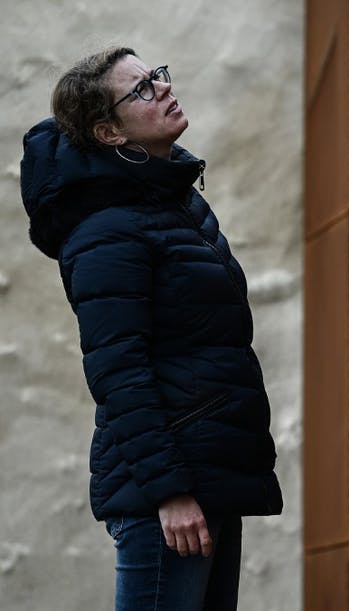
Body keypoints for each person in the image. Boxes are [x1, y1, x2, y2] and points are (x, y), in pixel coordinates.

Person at [19, 47, 284, 610]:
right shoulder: (106, 231)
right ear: (109, 132)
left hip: (209, 475)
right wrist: (168, 491)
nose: (162, 88)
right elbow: (118, 371)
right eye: (140, 89)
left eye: (156, 76)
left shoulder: (175, 206)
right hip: (170, 492)